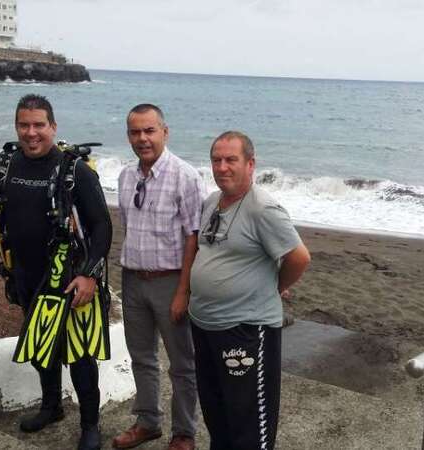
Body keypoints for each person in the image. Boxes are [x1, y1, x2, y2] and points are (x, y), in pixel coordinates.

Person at [0, 94, 112, 450]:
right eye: (24, 125)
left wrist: (89, 275)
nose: (31, 133)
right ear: (16, 127)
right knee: (40, 344)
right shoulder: (4, 165)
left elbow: (103, 225)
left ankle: (90, 426)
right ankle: (51, 407)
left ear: (53, 127)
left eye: (39, 125)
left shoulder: (74, 171)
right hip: (25, 275)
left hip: (71, 277)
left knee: (80, 355)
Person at [189, 131, 311, 450]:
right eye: (216, 160)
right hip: (206, 325)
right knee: (217, 412)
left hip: (245, 329)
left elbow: (299, 258)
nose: (222, 167)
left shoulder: (263, 209)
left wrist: (275, 287)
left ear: (250, 164)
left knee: (249, 423)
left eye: (231, 160)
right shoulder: (212, 202)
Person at [113, 104, 204, 450]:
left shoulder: (185, 176)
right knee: (141, 357)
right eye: (135, 132)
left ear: (165, 132)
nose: (143, 138)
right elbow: (129, 226)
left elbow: (194, 237)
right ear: (128, 136)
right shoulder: (125, 176)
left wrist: (183, 291)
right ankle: (148, 422)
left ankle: (184, 432)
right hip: (133, 279)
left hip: (171, 281)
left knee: (182, 363)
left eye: (149, 130)